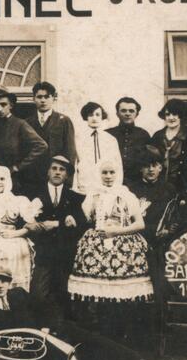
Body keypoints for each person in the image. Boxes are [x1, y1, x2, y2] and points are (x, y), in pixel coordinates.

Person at [0, 265, 167, 360]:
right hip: (35, 350)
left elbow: (48, 307)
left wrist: (47, 327)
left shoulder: (19, 294)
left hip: (53, 332)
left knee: (98, 340)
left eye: (4, 281)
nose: (0, 285)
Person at [68, 159, 153, 343]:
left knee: (120, 296)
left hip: (123, 247)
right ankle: (101, 339)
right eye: (104, 173)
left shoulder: (126, 195)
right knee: (98, 295)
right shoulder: (93, 195)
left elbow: (140, 224)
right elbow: (86, 220)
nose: (108, 177)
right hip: (96, 247)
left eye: (111, 173)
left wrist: (116, 231)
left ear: (118, 173)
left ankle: (120, 337)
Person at [25, 156, 86, 319]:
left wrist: (58, 223)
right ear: (48, 171)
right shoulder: (34, 193)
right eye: (54, 168)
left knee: (63, 295)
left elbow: (82, 223)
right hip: (41, 252)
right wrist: (29, 225)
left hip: (65, 253)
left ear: (67, 175)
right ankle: (40, 327)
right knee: (38, 293)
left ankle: (59, 331)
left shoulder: (75, 197)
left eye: (62, 170)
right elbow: (22, 218)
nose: (57, 172)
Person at [0, 85, 48, 196]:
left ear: (11, 106)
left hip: (16, 181)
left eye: (3, 105)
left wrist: (18, 166)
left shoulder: (19, 124)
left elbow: (41, 145)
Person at [24, 81, 78, 185]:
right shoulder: (26, 123)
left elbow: (70, 152)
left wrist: (67, 180)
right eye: (39, 97)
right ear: (34, 99)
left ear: (53, 98)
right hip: (32, 177)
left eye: (47, 96)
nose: (43, 100)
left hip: (56, 178)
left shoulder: (63, 121)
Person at [128, 146, 177, 244]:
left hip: (159, 239)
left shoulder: (169, 189)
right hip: (134, 237)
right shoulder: (131, 189)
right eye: (146, 166)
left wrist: (168, 229)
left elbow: (173, 215)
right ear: (141, 168)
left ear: (160, 168)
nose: (150, 169)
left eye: (154, 165)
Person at [73, 102, 122, 194]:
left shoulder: (110, 139)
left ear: (102, 117)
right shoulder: (78, 139)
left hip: (106, 188)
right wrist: (75, 188)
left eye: (97, 115)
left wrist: (116, 187)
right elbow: (75, 164)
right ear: (86, 117)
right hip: (85, 186)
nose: (94, 118)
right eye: (91, 115)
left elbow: (118, 165)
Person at [106, 97, 150, 185]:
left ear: (136, 114)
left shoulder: (144, 135)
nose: (127, 114)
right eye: (123, 110)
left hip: (137, 183)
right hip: (111, 182)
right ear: (117, 113)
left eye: (131, 111)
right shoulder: (108, 134)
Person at [149, 98, 187, 189]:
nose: (171, 118)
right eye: (167, 114)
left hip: (181, 184)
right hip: (159, 184)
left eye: (174, 114)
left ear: (180, 116)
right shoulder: (157, 135)